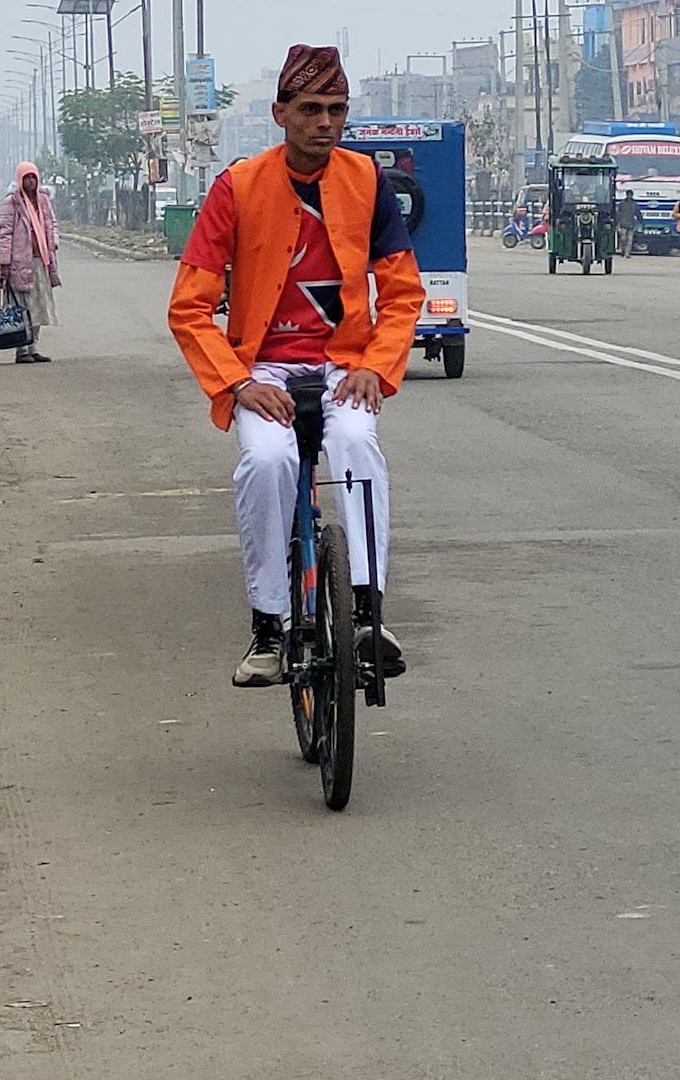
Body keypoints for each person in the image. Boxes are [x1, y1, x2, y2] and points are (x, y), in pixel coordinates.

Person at [167, 43, 423, 688]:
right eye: (310, 108)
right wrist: (238, 382)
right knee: (268, 461)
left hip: (344, 367)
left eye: (336, 109)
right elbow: (190, 307)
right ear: (280, 113)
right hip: (264, 372)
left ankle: (366, 613)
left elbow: (402, 294)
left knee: (359, 444)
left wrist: (377, 365)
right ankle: (268, 626)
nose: (324, 122)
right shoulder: (237, 188)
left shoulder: (369, 184)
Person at [0, 162, 61, 364]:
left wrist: (53, 242)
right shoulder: (12, 202)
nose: (31, 181)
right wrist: (5, 263)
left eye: (33, 177)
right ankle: (21, 349)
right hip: (20, 262)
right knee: (22, 307)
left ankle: (33, 347)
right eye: (27, 178)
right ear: (20, 180)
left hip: (40, 260)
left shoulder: (43, 199)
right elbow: (5, 233)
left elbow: (51, 223)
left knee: (38, 305)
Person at [615, 188, 640, 257]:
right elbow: (618, 213)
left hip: (631, 224)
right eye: (628, 194)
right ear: (626, 195)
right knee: (623, 239)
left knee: (629, 240)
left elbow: (638, 213)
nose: (629, 196)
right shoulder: (622, 203)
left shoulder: (634, 204)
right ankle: (623, 250)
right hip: (623, 224)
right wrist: (617, 222)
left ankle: (627, 253)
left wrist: (641, 222)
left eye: (630, 195)